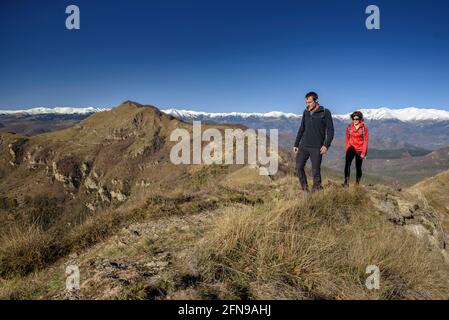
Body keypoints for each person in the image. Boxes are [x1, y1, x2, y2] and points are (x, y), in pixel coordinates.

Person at [293, 92, 334, 193]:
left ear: (316, 101)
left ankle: (316, 191)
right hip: (303, 145)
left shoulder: (325, 112)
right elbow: (302, 128)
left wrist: (326, 145)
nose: (307, 104)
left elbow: (330, 130)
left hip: (317, 147)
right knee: (298, 168)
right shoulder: (306, 112)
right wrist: (296, 144)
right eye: (306, 102)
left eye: (310, 102)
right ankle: (305, 190)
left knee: (315, 170)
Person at [343, 111, 369, 186]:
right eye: (354, 119)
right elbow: (347, 138)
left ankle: (357, 184)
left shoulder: (364, 128)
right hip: (351, 149)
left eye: (357, 119)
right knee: (347, 165)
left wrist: (364, 153)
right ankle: (346, 183)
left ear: (360, 119)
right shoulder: (349, 127)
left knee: (358, 167)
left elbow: (366, 140)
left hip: (360, 149)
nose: (355, 120)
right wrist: (347, 148)